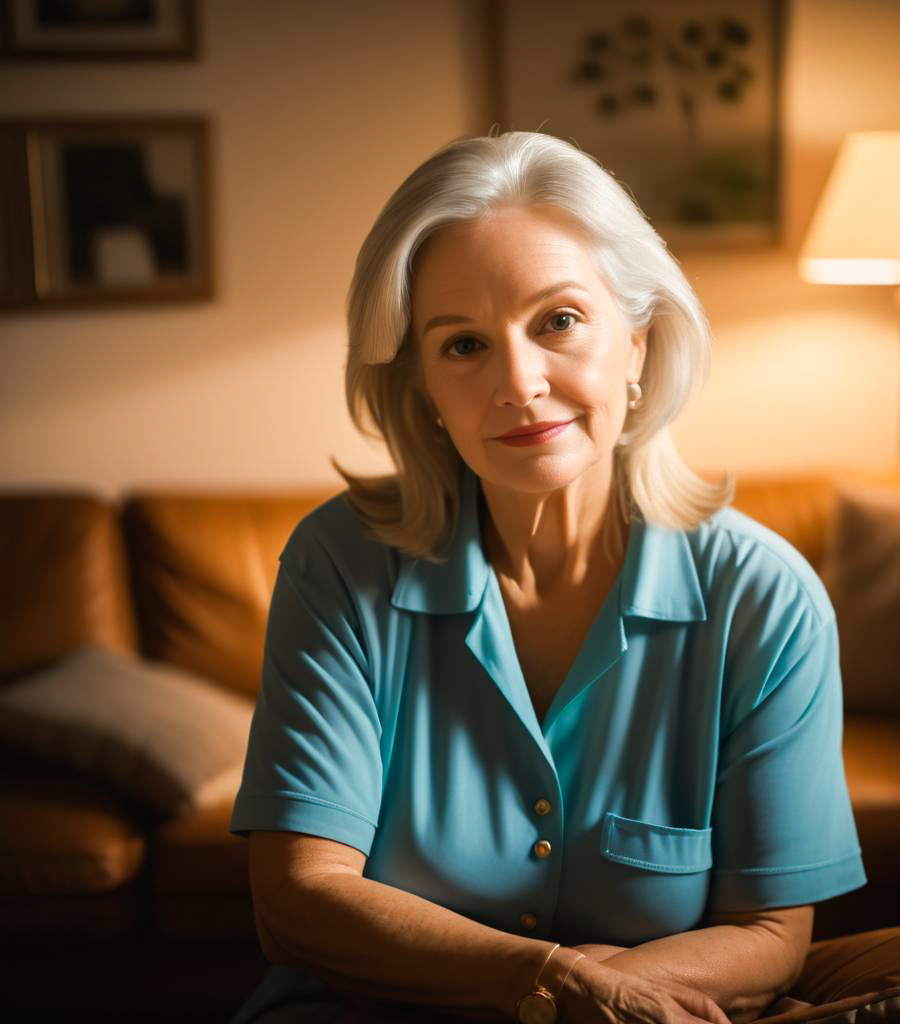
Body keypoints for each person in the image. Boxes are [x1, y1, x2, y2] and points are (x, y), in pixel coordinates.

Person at [228, 131, 866, 1024]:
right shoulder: (338, 564)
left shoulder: (766, 597)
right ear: (421, 387)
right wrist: (561, 984)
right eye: (462, 346)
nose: (520, 384)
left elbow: (770, 933)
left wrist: (594, 996)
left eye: (558, 322)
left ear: (639, 344)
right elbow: (297, 898)